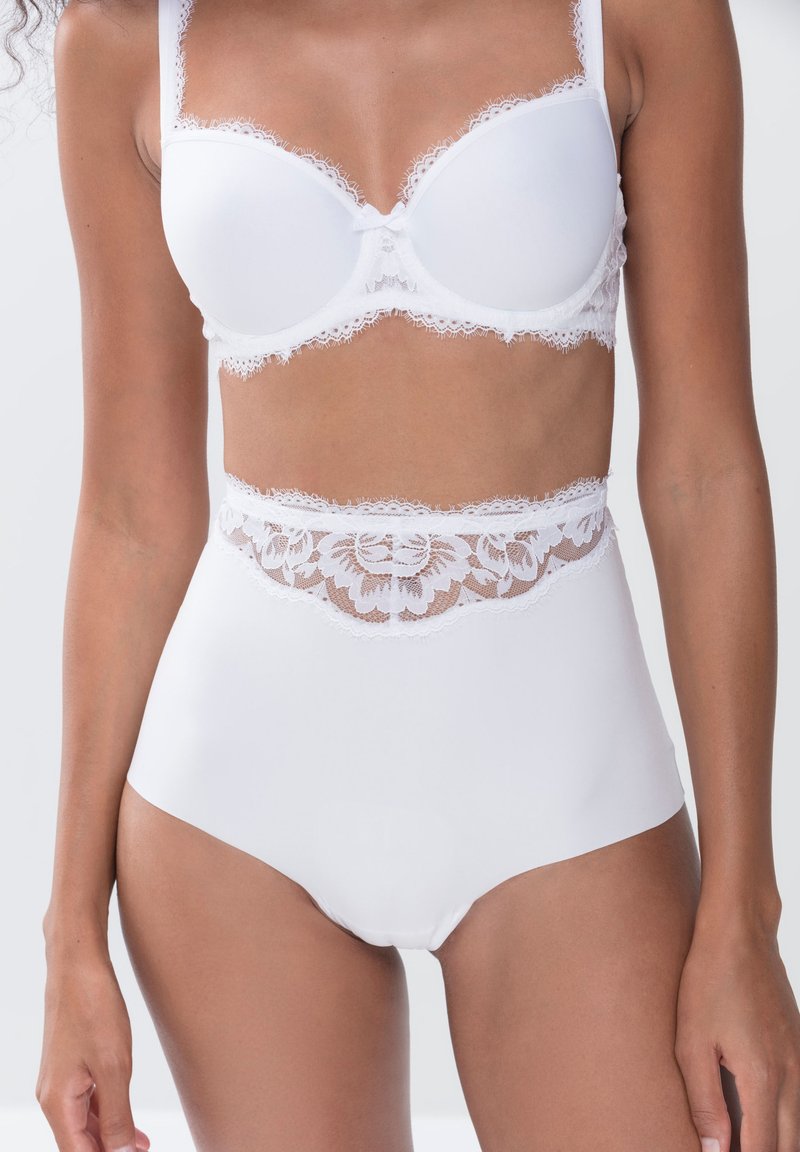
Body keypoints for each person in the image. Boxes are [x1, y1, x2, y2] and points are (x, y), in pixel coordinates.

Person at [32, 0, 800, 1148]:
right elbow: (131, 514)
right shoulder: (129, 38)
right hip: (231, 807)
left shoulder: (639, 16)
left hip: (566, 793)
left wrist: (743, 913)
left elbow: (703, 471)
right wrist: (68, 935)